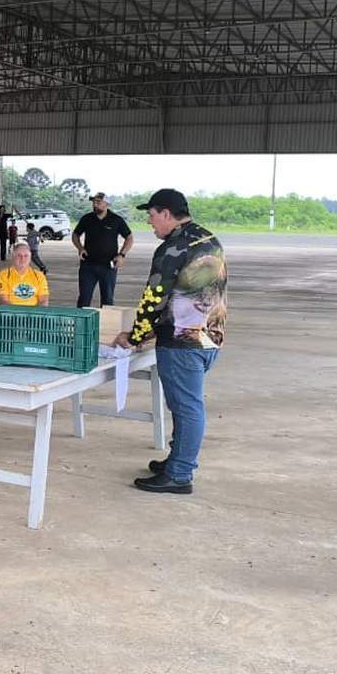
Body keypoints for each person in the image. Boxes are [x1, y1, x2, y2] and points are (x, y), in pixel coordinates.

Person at [112, 188, 228, 495]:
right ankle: (177, 461)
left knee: (187, 407)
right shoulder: (208, 239)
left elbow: (155, 298)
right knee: (183, 404)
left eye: (151, 215)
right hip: (209, 337)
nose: (149, 222)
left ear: (166, 214)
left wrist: (135, 336)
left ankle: (180, 474)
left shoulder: (173, 248)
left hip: (182, 343)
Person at [72, 191, 135, 308]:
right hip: (88, 265)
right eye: (93, 202)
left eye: (98, 202)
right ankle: (81, 319)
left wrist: (122, 255)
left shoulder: (116, 220)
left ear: (107, 204)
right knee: (84, 298)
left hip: (108, 266)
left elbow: (129, 237)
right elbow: (75, 234)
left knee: (107, 299)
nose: (95, 204)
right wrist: (80, 248)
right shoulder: (87, 219)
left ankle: (107, 320)